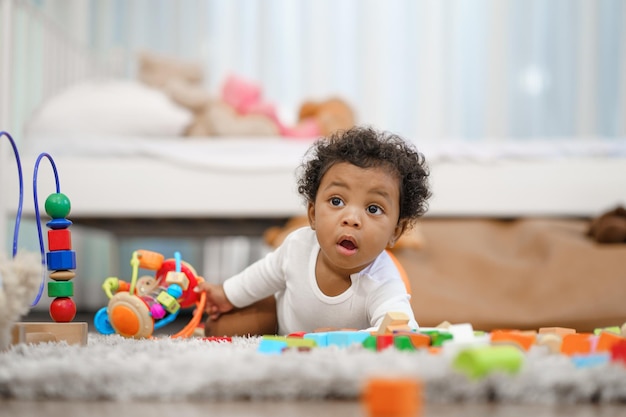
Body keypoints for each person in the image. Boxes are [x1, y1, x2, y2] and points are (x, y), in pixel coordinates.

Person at [196, 125, 431, 336]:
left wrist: (346, 336)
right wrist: (226, 294)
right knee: (223, 328)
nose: (351, 219)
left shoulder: (383, 281)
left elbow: (403, 332)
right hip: (280, 322)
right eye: (337, 201)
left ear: (396, 231)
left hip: (330, 352)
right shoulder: (299, 244)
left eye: (373, 208)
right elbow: (266, 272)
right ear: (313, 214)